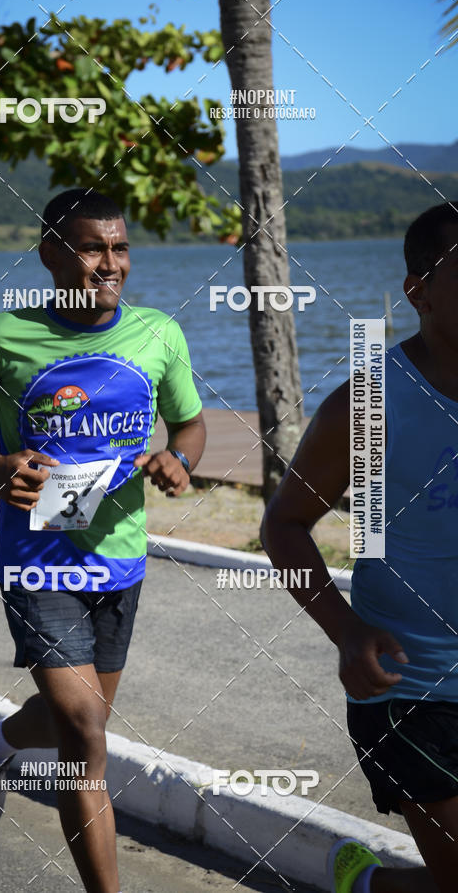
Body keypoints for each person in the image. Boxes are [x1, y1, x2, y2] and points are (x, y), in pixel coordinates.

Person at [0, 188, 206, 893]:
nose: (110, 263)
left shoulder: (158, 333)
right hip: (37, 560)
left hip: (120, 558)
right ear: (51, 254)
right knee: (86, 738)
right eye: (92, 247)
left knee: (78, 723)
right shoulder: (3, 335)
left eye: (119, 247)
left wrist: (178, 460)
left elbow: (189, 425)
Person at [261, 201, 458, 893]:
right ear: (420, 292)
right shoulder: (371, 404)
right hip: (414, 689)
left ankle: (366, 886)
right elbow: (283, 525)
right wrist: (345, 630)